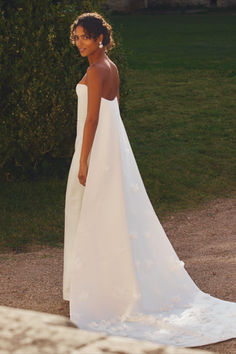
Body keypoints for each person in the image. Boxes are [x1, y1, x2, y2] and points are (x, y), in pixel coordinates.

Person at [63, 12, 236, 348]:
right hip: (113, 150)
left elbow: (94, 120)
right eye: (77, 37)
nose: (80, 42)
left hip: (98, 149)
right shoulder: (109, 66)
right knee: (107, 213)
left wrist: (83, 160)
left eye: (85, 36)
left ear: (100, 37)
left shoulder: (98, 70)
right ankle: (96, 282)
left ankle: (100, 289)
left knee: (91, 211)